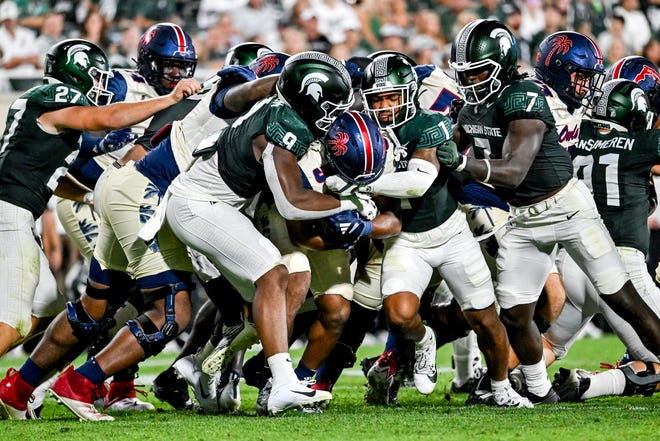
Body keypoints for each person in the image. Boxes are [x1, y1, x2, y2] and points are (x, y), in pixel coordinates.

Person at [437, 18, 660, 404]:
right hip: (537, 215)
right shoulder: (529, 99)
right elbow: (513, 168)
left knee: (555, 320)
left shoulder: (555, 106)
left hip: (558, 217)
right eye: (580, 76)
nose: (587, 87)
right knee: (521, 312)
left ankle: (508, 381)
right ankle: (550, 387)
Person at [162, 51, 373, 415]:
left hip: (219, 205)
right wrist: (348, 202)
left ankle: (197, 363)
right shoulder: (284, 124)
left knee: (289, 280)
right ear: (310, 98)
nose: (335, 115)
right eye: (332, 105)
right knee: (273, 275)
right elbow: (292, 202)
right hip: (199, 205)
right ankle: (281, 382)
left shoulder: (282, 108)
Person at [0, 37, 200, 420]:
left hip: (24, 210)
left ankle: (19, 388)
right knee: (17, 320)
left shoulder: (46, 111)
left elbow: (53, 175)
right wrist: (171, 99)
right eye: (94, 75)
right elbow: (107, 119)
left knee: (49, 305)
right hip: (10, 211)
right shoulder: (55, 94)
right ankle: (75, 383)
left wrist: (88, 197)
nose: (100, 85)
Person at [341, 53, 532, 408]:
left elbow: (418, 182)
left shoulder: (430, 123)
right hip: (406, 240)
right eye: (377, 99)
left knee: (485, 320)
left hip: (450, 234)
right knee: (399, 317)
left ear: (409, 94)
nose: (383, 107)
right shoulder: (360, 132)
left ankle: (502, 387)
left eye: (391, 97)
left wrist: (360, 183)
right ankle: (425, 339)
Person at [542, 80, 660, 380]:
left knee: (547, 345)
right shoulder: (641, 144)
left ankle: (500, 380)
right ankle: (593, 384)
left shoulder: (576, 138)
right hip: (621, 270)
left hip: (572, 261)